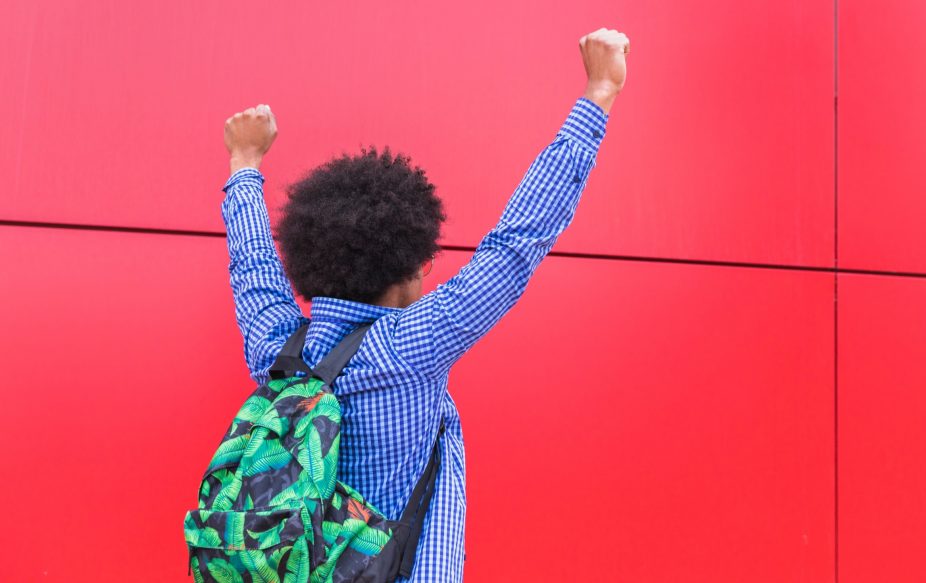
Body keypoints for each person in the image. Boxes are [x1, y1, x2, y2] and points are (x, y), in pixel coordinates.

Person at [217, 27, 629, 581]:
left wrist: (245, 163)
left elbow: (254, 268)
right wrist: (599, 91)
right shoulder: (411, 344)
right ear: (404, 271)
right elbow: (515, 245)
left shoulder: (277, 350)